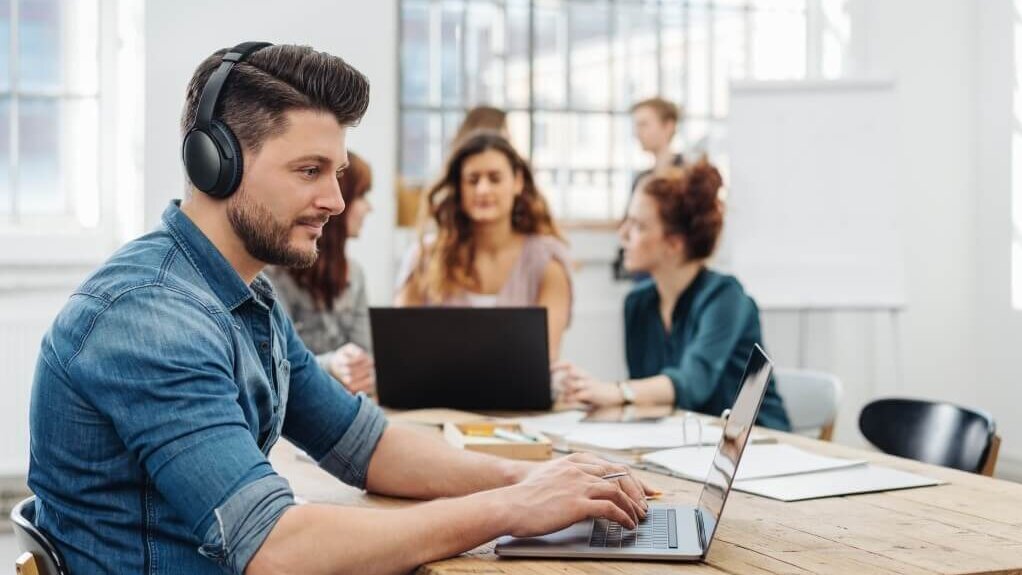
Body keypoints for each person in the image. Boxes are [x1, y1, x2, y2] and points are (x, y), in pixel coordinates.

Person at [28, 43, 653, 575]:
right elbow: (275, 548)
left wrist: (529, 479)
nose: (334, 199)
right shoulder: (150, 319)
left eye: (338, 172)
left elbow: (365, 444)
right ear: (215, 164)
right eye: (309, 171)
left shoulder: (246, 300)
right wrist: (515, 509)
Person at [558, 159, 791, 431]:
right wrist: (585, 390)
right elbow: (648, 400)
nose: (623, 234)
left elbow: (694, 383)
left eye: (638, 226)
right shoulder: (638, 303)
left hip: (759, 449)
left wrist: (617, 391)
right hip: (685, 446)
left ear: (674, 243)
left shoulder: (726, 298)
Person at [395, 131, 573, 359]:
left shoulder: (547, 262)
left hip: (519, 394)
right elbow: (400, 346)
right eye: (472, 180)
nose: (483, 190)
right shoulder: (424, 257)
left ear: (517, 182)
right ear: (459, 187)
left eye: (495, 178)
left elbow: (546, 355)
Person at [266, 151, 375, 395]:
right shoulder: (272, 275)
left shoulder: (354, 275)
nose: (369, 208)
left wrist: (359, 371)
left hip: (341, 405)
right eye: (361, 196)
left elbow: (367, 362)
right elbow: (275, 367)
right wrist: (332, 365)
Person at [615, 97, 685, 279]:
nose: (637, 133)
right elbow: (628, 224)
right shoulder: (641, 179)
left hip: (676, 269)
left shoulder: (689, 177)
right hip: (644, 270)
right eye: (636, 126)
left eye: (644, 124)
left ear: (668, 126)